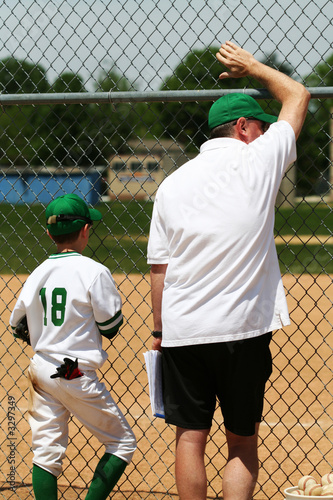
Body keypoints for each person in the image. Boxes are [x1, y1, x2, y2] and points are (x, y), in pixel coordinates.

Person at [147, 41, 310, 500]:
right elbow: (297, 95)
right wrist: (253, 67)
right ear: (242, 128)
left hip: (184, 330)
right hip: (242, 331)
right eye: (259, 126)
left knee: (189, 438)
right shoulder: (258, 159)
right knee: (240, 440)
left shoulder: (171, 184)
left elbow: (159, 267)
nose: (265, 133)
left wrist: (160, 330)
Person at [10, 193, 136, 500]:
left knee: (46, 452)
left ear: (50, 233)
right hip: (72, 370)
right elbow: (111, 326)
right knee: (121, 442)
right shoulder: (94, 271)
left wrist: (46, 331)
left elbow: (18, 324)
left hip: (41, 368)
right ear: (85, 231)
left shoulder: (37, 272)